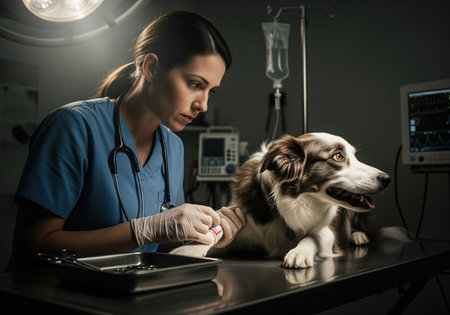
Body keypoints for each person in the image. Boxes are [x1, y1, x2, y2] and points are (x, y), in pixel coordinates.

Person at [7, 10, 246, 272]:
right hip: (54, 295)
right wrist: (142, 230)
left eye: (210, 90)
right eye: (194, 84)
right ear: (151, 67)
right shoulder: (73, 127)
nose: (203, 105)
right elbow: (37, 242)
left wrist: (208, 232)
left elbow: (162, 244)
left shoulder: (172, 147)